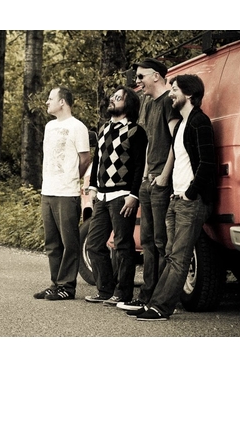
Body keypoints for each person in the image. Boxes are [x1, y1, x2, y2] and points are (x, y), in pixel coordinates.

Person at [127, 74, 216, 320]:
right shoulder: (181, 126)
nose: (171, 94)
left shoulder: (200, 122)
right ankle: (155, 303)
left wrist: (190, 193)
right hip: (176, 199)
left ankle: (161, 307)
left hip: (191, 201)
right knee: (170, 254)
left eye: (175, 89)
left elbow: (208, 163)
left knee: (179, 256)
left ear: (189, 94)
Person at [117, 58, 181, 311]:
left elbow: (177, 141)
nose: (138, 82)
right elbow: (149, 143)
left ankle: (160, 299)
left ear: (156, 76)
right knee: (147, 242)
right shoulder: (148, 103)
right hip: (148, 180)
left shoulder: (168, 102)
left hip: (163, 182)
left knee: (161, 242)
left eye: (141, 76)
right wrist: (145, 175)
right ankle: (146, 297)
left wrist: (164, 176)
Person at [84, 86, 147, 305]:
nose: (112, 100)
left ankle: (123, 293)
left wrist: (134, 195)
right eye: (113, 97)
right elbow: (97, 160)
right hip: (102, 196)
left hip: (122, 196)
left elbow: (140, 166)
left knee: (122, 246)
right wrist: (93, 187)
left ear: (128, 104)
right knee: (94, 244)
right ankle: (105, 290)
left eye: (118, 98)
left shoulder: (136, 131)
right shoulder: (103, 129)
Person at [34, 86, 91, 301]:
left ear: (62, 102)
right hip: (48, 190)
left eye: (50, 98)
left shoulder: (78, 127)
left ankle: (67, 286)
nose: (47, 102)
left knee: (69, 241)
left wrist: (72, 178)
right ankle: (55, 284)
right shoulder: (49, 127)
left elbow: (85, 159)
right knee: (52, 242)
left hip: (67, 192)